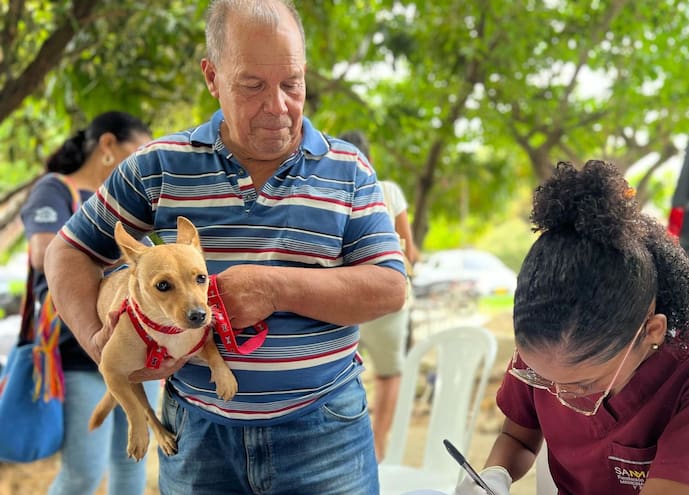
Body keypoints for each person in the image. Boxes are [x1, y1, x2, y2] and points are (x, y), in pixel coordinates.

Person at [43, 1, 407, 494]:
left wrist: (275, 287)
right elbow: (69, 252)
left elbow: (389, 287)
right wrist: (98, 340)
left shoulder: (349, 170)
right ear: (212, 77)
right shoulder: (159, 167)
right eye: (252, 85)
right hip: (197, 437)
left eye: (292, 83)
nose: (278, 105)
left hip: (327, 435)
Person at [455, 160, 689, 495]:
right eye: (539, 377)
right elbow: (517, 437)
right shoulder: (548, 347)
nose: (558, 395)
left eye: (584, 385)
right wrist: (494, 475)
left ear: (651, 331)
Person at [19, 111, 155, 495]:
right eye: (138, 151)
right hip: (79, 353)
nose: (144, 163)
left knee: (132, 467)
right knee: (84, 473)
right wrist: (125, 258)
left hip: (139, 353)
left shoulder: (129, 207)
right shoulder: (57, 190)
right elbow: (44, 252)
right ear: (108, 145)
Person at [339, 130, 419, 462]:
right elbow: (409, 250)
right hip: (387, 300)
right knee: (388, 373)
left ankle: (346, 442)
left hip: (344, 301)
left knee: (341, 371)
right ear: (369, 160)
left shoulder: (330, 192)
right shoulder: (388, 190)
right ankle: (378, 443)